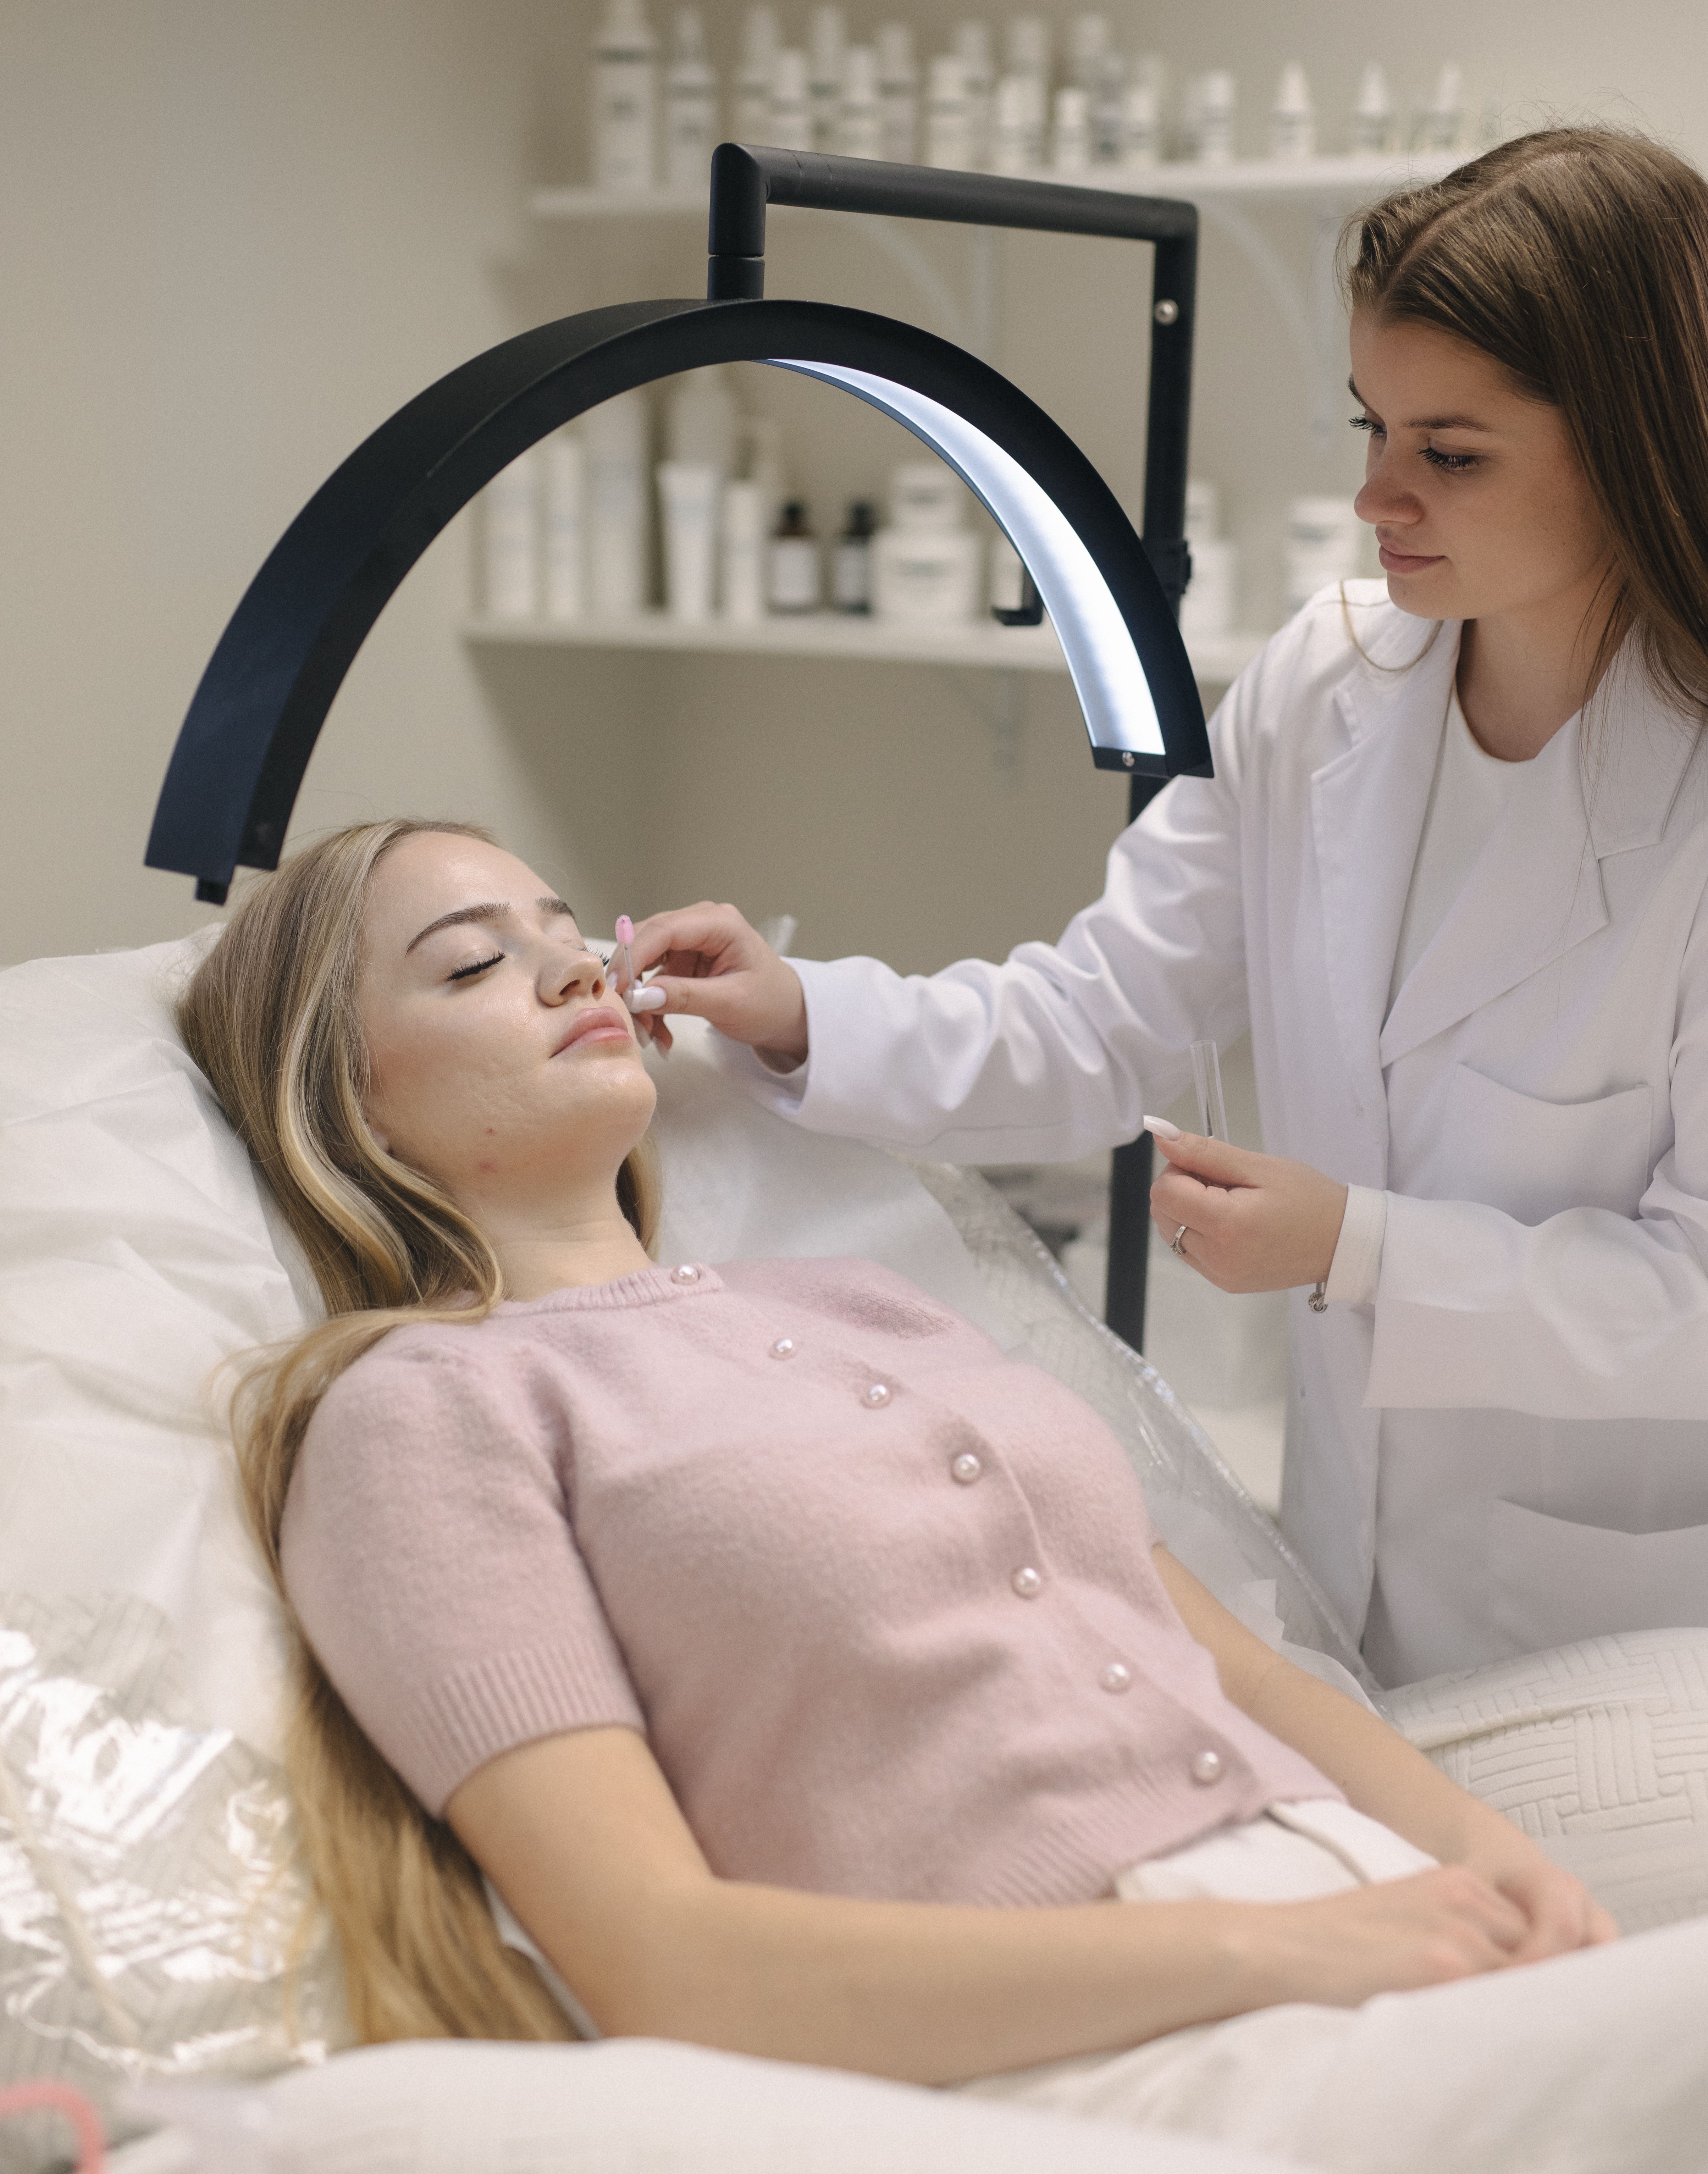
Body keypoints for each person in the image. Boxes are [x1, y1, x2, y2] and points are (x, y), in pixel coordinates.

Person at [178, 818, 1708, 2174]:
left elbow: (1222, 1664)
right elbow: (660, 1963)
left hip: (1383, 1942)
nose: (575, 970)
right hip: (1091, 2064)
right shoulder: (419, 1416)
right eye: (468, 968)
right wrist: (1265, 1951)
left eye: (568, 932)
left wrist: (1497, 1866)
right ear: (350, 1107)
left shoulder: (864, 1305)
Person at [626, 127, 1708, 1689]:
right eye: (1370, 428)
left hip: (1619, 1630)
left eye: (1448, 455)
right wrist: (803, 1009)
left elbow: (1690, 1307)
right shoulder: (1325, 682)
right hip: (1347, 1572)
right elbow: (1095, 1021)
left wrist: (1356, 1249)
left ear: (1637, 445)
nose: (1372, 497)